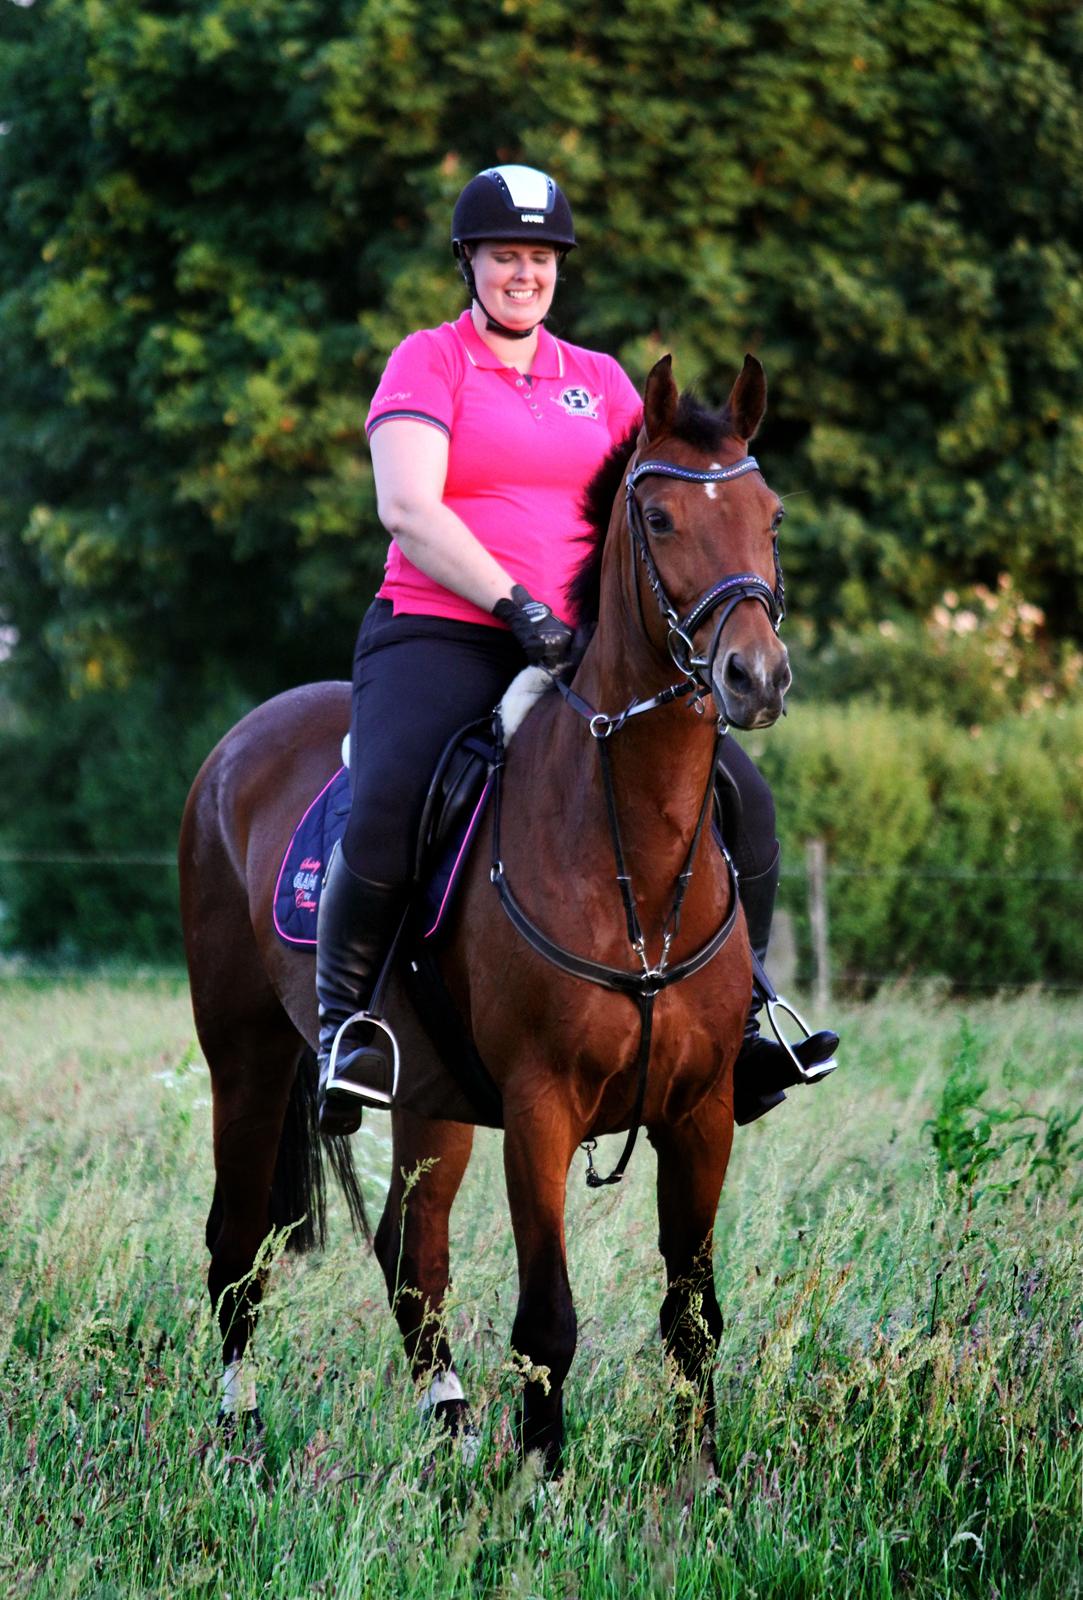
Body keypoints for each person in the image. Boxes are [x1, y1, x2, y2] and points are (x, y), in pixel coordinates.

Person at [316, 163, 837, 1136]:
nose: (524, 273)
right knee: (389, 804)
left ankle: (749, 1016)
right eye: (505, 254)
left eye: (541, 257)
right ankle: (347, 1029)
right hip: (443, 631)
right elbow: (407, 508)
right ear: (469, 261)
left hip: (583, 653)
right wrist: (517, 607)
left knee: (745, 799)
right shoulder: (428, 363)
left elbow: (670, 502)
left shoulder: (600, 381)